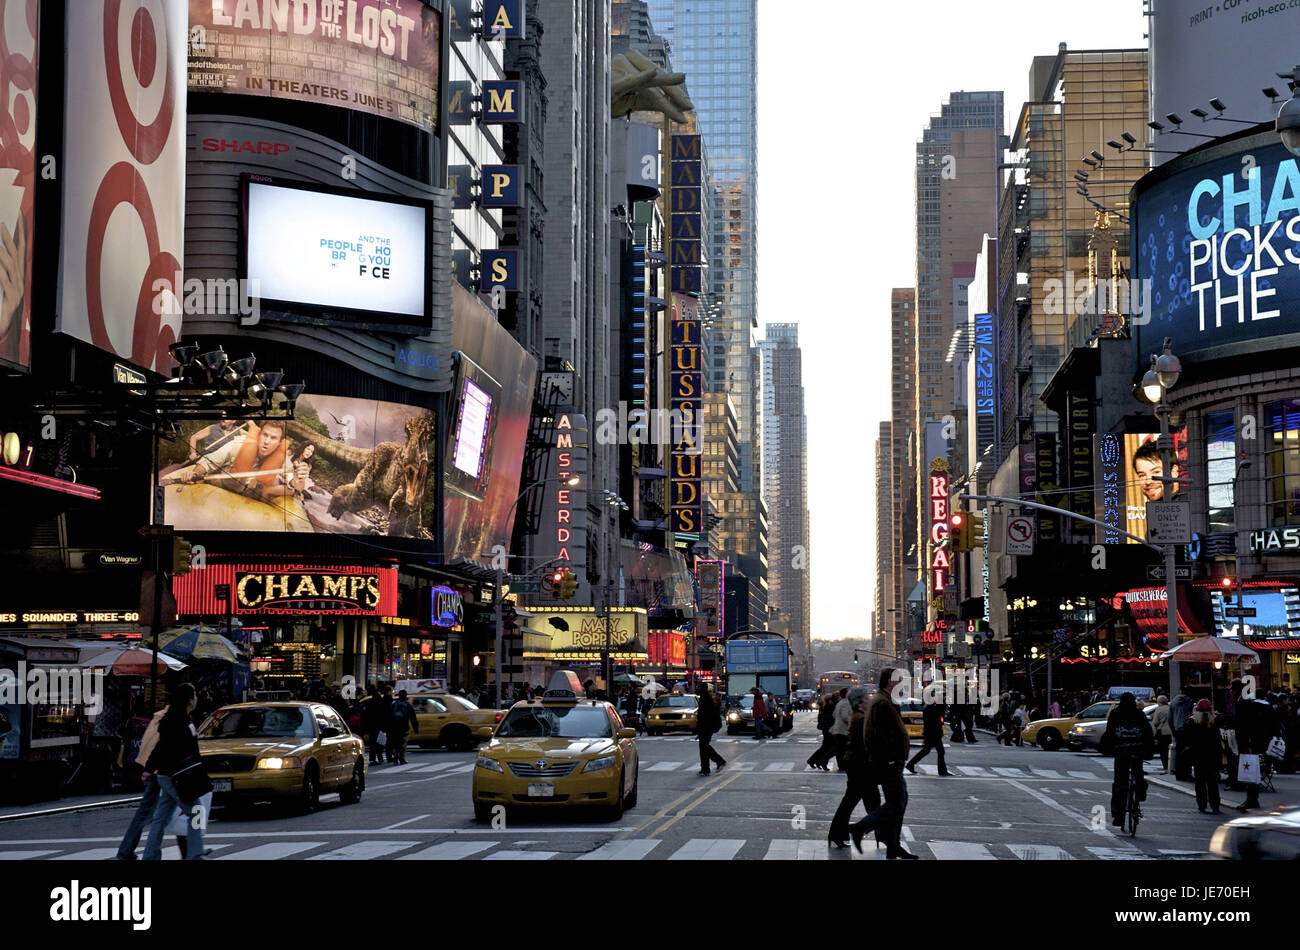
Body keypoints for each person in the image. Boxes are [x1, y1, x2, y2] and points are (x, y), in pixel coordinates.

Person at [849, 670, 918, 859]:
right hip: (889, 761)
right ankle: (861, 827)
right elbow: (877, 734)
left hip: (891, 760)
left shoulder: (884, 700)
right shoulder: (882, 702)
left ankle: (893, 846)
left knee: (898, 803)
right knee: (896, 803)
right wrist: (890, 757)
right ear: (889, 682)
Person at [142, 683, 210, 860]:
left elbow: (160, 747)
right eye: (194, 695)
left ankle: (150, 855)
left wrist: (149, 769)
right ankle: (195, 853)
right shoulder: (179, 720)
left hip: (168, 774)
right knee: (196, 811)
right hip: (177, 775)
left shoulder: (176, 718)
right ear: (189, 700)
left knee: (161, 818)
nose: (196, 699)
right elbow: (163, 747)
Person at [179, 419, 294, 502]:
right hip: (223, 486)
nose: (267, 441)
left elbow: (292, 482)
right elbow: (208, 461)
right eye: (265, 435)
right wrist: (195, 473)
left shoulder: (284, 459)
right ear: (259, 435)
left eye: (273, 438)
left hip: (249, 497)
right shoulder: (238, 444)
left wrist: (296, 482)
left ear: (279, 442)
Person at [115, 703, 169, 860]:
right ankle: (193, 850)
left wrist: (147, 768)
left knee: (148, 813)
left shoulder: (158, 717)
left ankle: (126, 851)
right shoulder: (174, 719)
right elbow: (161, 747)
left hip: (156, 770)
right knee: (183, 810)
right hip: (166, 772)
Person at [828, 686, 878, 848]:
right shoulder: (861, 718)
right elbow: (866, 743)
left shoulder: (860, 716)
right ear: (859, 702)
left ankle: (838, 834)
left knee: (859, 802)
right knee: (868, 802)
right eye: (865, 698)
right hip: (860, 765)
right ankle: (883, 836)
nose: (868, 700)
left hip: (857, 764)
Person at [1102, 692, 1154, 828]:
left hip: (1121, 750)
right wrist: (1149, 751)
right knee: (1138, 773)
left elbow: (1110, 732)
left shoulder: (1115, 714)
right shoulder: (1139, 714)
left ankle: (1118, 816)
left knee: (1119, 782)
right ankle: (1141, 788)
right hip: (1138, 750)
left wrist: (1109, 747)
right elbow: (1148, 733)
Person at [1233, 679, 1278, 811]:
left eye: (1232, 689)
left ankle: (1251, 799)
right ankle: (1252, 798)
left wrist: (1242, 743)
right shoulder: (1260, 704)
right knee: (1254, 770)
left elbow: (1242, 725)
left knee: (1250, 771)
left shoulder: (1244, 703)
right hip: (1260, 741)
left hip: (1250, 743)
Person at [1186, 699, 1222, 814]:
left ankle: (1202, 804)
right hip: (1212, 756)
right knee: (1212, 782)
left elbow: (1189, 740)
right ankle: (1215, 805)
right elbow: (1217, 742)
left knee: (1200, 782)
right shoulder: (1214, 722)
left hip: (1198, 756)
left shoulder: (1193, 721)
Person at [907, 696, 952, 776]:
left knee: (927, 750)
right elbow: (941, 710)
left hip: (931, 733)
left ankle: (910, 764)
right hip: (933, 733)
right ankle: (942, 771)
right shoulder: (931, 709)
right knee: (940, 751)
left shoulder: (929, 708)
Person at [1131, 438, 1181, 502]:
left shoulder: (1190, 505)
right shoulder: (1156, 508)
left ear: (1174, 472)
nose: (1148, 482)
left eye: (1156, 472)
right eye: (1142, 475)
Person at [695, 684, 726, 775]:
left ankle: (718, 761)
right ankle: (705, 768)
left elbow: (704, 716)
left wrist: (700, 728)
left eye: (698, 687)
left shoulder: (705, 698)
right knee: (703, 747)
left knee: (704, 746)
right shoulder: (705, 697)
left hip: (706, 727)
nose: (697, 689)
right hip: (706, 727)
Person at [1169, 689, 1195, 780]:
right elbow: (1191, 715)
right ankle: (1186, 773)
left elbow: (1170, 719)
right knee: (1187, 752)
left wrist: (1173, 730)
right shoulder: (1189, 701)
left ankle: (1178, 773)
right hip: (1186, 729)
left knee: (1179, 752)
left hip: (1177, 730)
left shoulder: (1173, 702)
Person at [807, 694, 837, 770]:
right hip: (829, 729)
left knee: (825, 747)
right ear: (829, 700)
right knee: (830, 747)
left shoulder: (824, 707)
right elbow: (829, 719)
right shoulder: (828, 707)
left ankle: (814, 760)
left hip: (826, 729)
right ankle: (819, 761)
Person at [388, 690, 418, 765]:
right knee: (403, 743)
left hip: (394, 726)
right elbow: (413, 717)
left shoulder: (394, 704)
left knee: (396, 742)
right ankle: (401, 758)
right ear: (406, 696)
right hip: (404, 726)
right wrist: (415, 728)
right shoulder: (408, 705)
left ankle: (395, 755)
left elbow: (389, 716)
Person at [829, 687, 852, 767]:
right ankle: (843, 764)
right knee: (843, 748)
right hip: (843, 729)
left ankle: (840, 764)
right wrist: (851, 722)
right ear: (846, 694)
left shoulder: (840, 702)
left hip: (837, 729)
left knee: (839, 748)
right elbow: (845, 716)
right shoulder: (846, 703)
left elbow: (834, 714)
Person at [1150, 695, 1173, 773]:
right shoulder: (1171, 708)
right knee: (1171, 750)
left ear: (1159, 702)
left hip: (1162, 732)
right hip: (1171, 732)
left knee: (1163, 751)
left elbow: (1155, 722)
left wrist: (1154, 732)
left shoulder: (1159, 709)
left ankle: (1166, 767)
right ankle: (1172, 766)